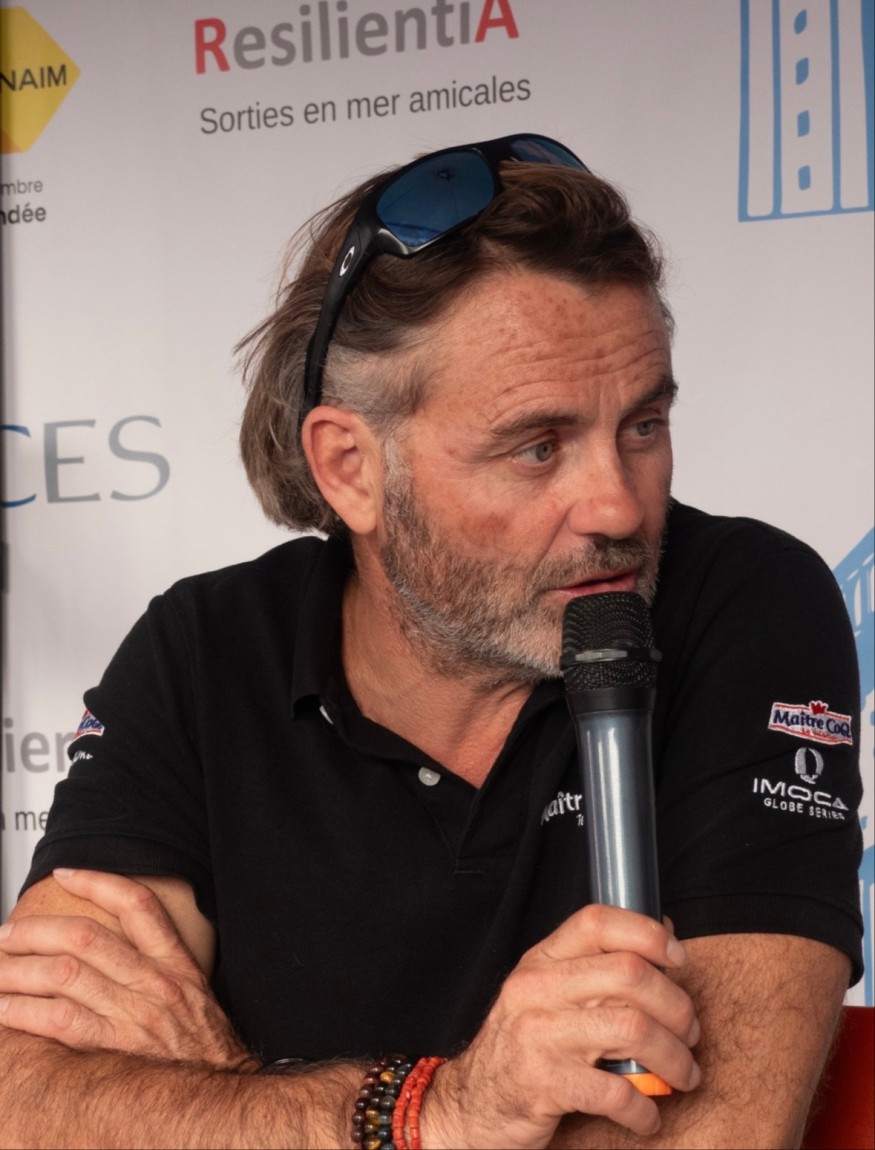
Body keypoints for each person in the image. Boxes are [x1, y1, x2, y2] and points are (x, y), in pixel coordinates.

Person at [0, 134, 863, 1149]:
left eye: (641, 426)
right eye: (536, 446)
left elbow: (714, 1135)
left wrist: (218, 1088)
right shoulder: (203, 650)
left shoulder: (741, 602)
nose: (618, 507)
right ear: (350, 468)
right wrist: (445, 1112)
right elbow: (27, 1102)